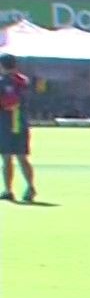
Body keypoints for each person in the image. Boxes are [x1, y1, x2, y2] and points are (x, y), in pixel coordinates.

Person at [0, 55, 35, 203]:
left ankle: (8, 190)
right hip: (21, 123)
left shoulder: (4, 81)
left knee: (7, 157)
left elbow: (8, 102)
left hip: (6, 123)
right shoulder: (23, 80)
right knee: (21, 157)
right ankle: (29, 187)